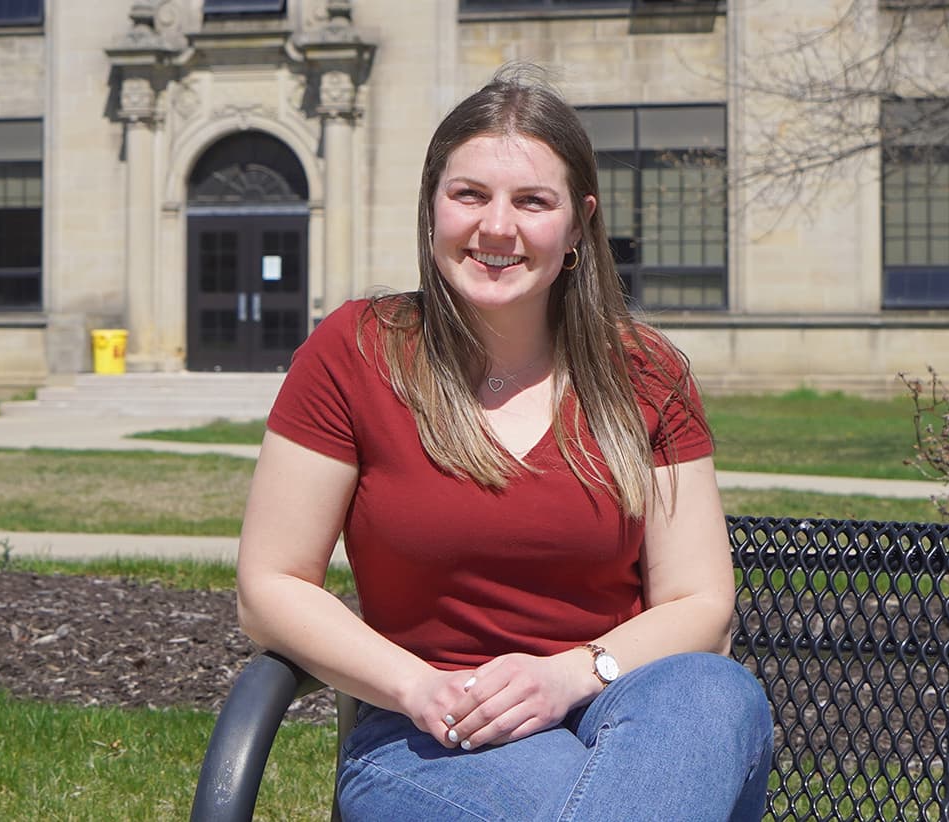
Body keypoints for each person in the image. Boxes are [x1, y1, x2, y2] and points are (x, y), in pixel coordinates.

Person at [236, 67, 774, 821]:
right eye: (469, 195)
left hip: (622, 716)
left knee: (717, 692)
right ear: (432, 207)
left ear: (579, 223)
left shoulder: (645, 374)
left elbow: (700, 604)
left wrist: (567, 676)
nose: (497, 227)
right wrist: (416, 687)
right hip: (435, 734)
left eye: (532, 201)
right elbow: (272, 587)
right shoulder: (355, 352)